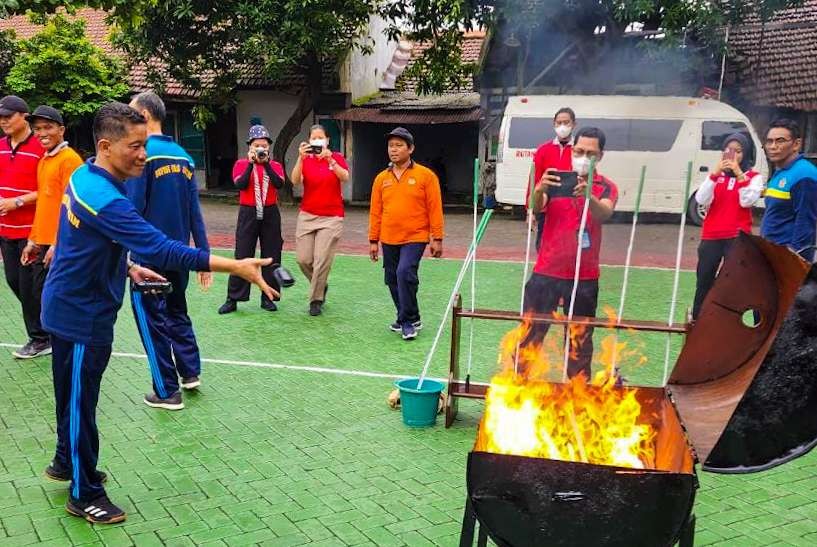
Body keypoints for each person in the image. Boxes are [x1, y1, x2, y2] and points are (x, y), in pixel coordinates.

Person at [41, 102, 276, 524]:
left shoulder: (85, 176)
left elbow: (83, 241)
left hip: (71, 303)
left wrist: (128, 265)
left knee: (71, 394)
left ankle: (66, 462)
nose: (143, 155)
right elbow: (161, 247)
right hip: (80, 315)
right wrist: (234, 265)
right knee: (80, 401)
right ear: (105, 145)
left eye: (145, 144)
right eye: (135, 147)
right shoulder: (107, 199)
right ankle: (84, 492)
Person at [126, 91, 211, 410]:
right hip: (179, 255)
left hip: (148, 256)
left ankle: (166, 390)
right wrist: (202, 255)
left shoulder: (141, 155)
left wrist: (127, 254)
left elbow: (132, 210)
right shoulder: (183, 156)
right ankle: (191, 372)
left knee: (152, 321)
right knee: (177, 311)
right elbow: (194, 212)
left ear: (145, 116)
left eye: (131, 114)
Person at [523, 127, 618, 379]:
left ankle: (577, 395)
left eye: (590, 153)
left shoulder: (606, 187)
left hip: (584, 277)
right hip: (546, 271)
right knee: (530, 334)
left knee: (580, 343)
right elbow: (535, 207)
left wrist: (589, 197)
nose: (583, 156)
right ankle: (517, 388)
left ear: (601, 156)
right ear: (572, 149)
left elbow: (605, 213)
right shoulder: (553, 179)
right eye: (579, 151)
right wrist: (540, 188)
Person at [369, 127, 444, 341]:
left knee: (404, 273)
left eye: (399, 145)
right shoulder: (381, 179)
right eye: (391, 145)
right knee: (393, 278)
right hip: (388, 237)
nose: (394, 150)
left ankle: (406, 321)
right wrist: (373, 240)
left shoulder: (426, 176)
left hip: (416, 236)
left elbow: (435, 208)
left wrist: (437, 238)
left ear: (410, 149)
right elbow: (376, 211)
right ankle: (413, 315)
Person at [692, 133, 763, 319]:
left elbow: (747, 200)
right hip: (711, 236)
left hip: (737, 238)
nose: (732, 155)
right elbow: (701, 199)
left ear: (746, 154)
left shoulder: (754, 177)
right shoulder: (716, 176)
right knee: (704, 279)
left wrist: (739, 174)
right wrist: (714, 175)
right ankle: (698, 318)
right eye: (728, 150)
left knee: (730, 280)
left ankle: (723, 318)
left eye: (738, 151)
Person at [218, 124, 285, 314]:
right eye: (257, 145)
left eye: (264, 145)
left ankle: (269, 296)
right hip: (248, 212)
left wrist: (266, 164)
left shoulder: (276, 165)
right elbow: (240, 184)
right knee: (242, 253)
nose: (260, 148)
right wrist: (250, 163)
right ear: (250, 147)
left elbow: (279, 184)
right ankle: (233, 298)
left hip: (270, 212)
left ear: (269, 146)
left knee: (272, 255)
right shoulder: (241, 164)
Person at [0, 95, 48, 359]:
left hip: (33, 232)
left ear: (24, 116)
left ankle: (40, 338)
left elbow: (49, 190)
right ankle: (45, 329)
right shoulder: (0, 147)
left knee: (32, 287)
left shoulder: (41, 149)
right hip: (6, 229)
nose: (3, 121)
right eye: (1, 117)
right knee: (14, 281)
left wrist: (17, 201)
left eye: (9, 116)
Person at [290, 124, 350, 316]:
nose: (317, 141)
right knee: (303, 259)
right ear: (308, 141)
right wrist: (300, 158)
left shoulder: (336, 157)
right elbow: (295, 180)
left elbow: (345, 176)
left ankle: (315, 300)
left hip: (332, 217)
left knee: (321, 259)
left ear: (327, 140)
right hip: (307, 215)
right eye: (313, 138)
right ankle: (321, 285)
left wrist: (330, 159)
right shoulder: (305, 159)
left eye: (320, 137)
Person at [761, 118, 817, 261]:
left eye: (780, 141)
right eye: (769, 141)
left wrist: (792, 259)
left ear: (796, 144)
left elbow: (805, 223)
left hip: (787, 258)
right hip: (771, 252)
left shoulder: (804, 174)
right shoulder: (781, 171)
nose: (773, 146)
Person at [529, 107, 575, 250]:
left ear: (574, 124)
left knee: (568, 248)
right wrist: (530, 210)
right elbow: (533, 181)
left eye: (566, 122)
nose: (562, 126)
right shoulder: (543, 150)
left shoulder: (578, 150)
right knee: (543, 247)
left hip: (571, 210)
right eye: (559, 122)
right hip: (546, 209)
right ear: (554, 124)